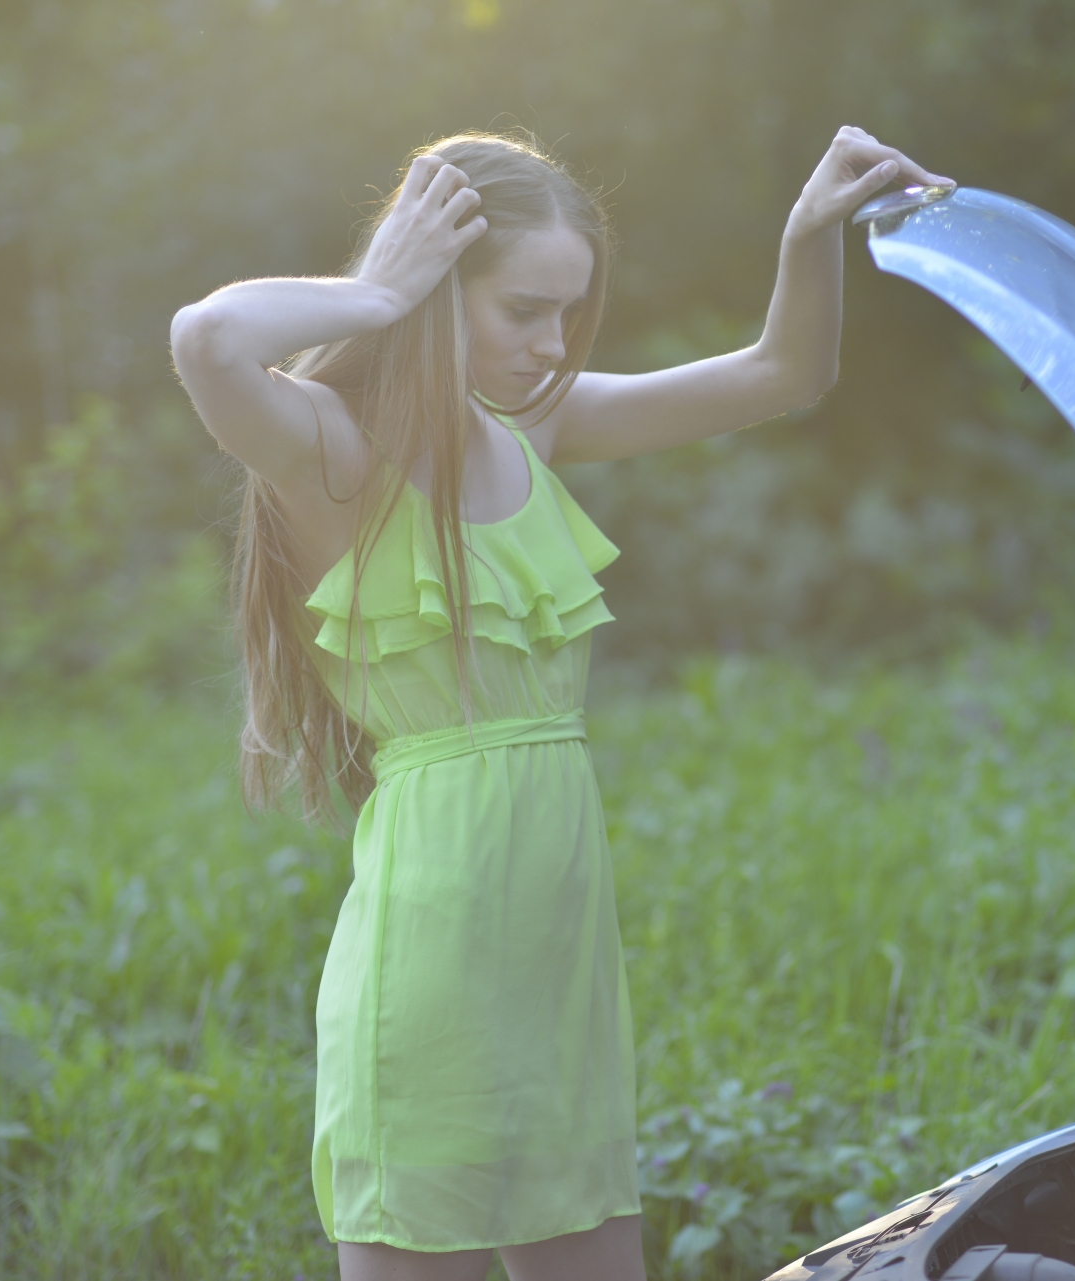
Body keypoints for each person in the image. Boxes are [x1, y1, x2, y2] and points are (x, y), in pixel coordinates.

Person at [169, 127, 950, 1281]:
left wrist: (809, 231)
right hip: (428, 959)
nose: (550, 347)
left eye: (567, 318)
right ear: (437, 293)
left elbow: (784, 375)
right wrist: (376, 289)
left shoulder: (536, 429)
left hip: (562, 958)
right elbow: (208, 339)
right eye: (523, 311)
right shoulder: (333, 454)